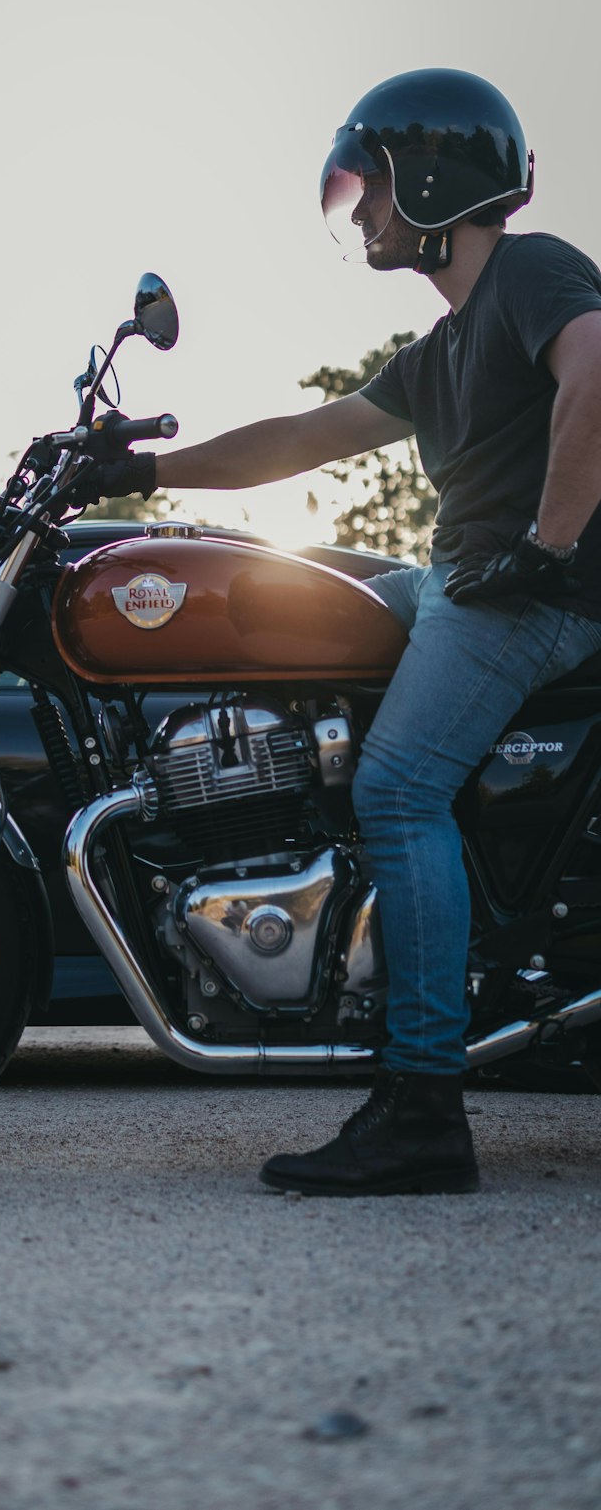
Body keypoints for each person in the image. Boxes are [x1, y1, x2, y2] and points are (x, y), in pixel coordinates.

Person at [93, 67, 601, 1196]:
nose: (361, 214)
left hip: (529, 598)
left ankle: (422, 1105)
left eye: (366, 188)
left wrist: (551, 544)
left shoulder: (528, 268)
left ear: (430, 179)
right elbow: (299, 439)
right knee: (316, 638)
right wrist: (140, 472)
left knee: (397, 787)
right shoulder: (444, 348)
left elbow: (595, 370)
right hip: (463, 580)